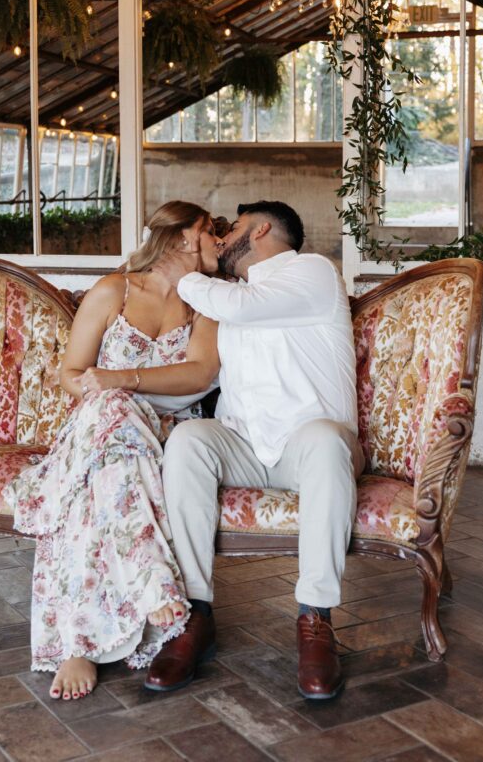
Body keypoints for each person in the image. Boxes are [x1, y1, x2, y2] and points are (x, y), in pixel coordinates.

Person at [145, 200, 364, 700]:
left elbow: (239, 307)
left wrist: (180, 270)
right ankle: (195, 614)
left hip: (309, 445)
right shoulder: (231, 297)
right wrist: (125, 391)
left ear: (262, 229)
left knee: (328, 440)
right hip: (245, 444)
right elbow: (199, 383)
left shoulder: (312, 273)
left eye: (234, 228)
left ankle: (315, 619)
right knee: (188, 439)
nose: (222, 239)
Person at [7, 201, 220, 702]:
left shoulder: (208, 302)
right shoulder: (113, 291)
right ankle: (147, 577)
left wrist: (122, 383)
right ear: (186, 238)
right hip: (100, 428)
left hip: (165, 436)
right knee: (113, 418)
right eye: (213, 232)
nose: (221, 241)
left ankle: (76, 644)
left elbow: (201, 373)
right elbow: (69, 374)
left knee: (95, 475)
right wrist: (111, 397)